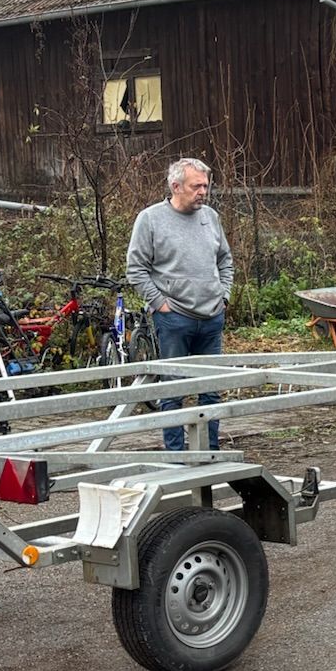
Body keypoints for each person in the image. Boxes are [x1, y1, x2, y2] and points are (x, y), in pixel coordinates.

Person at [126, 157, 233, 452]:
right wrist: (159, 303)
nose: (203, 191)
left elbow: (225, 260)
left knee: (210, 392)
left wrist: (224, 296)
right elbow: (136, 269)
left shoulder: (210, 217)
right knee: (173, 390)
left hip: (211, 318)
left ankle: (210, 453)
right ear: (176, 186)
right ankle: (176, 456)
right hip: (174, 319)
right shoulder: (150, 219)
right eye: (196, 186)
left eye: (205, 185)